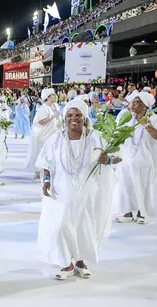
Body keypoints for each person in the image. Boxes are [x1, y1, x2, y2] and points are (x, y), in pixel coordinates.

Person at [36, 99, 121, 280]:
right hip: (61, 190)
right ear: (65, 118)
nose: (73, 119)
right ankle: (66, 263)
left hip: (88, 191)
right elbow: (46, 162)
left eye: (78, 115)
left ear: (84, 118)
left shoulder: (96, 137)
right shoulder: (56, 138)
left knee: (84, 225)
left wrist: (109, 160)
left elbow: (118, 157)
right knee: (60, 225)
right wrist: (46, 180)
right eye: (69, 115)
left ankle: (80, 261)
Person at [113, 91, 157, 224]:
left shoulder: (154, 118)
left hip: (144, 159)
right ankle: (127, 212)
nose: (134, 104)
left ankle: (142, 213)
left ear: (145, 106)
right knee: (125, 184)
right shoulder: (126, 117)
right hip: (126, 158)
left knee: (142, 185)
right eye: (134, 102)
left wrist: (146, 124)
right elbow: (117, 134)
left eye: (138, 102)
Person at [25, 88, 63, 180]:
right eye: (53, 95)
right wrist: (53, 116)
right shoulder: (43, 108)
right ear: (48, 97)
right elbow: (41, 121)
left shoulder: (56, 106)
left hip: (54, 133)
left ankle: (51, 172)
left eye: (55, 94)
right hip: (43, 135)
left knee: (53, 153)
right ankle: (37, 173)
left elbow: (59, 118)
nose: (55, 96)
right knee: (40, 152)